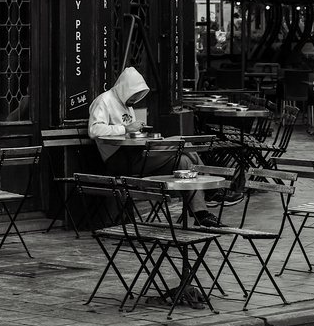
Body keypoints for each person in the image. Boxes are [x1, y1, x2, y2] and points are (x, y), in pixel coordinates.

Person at [87, 65, 220, 227]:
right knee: (182, 142)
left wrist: (137, 131)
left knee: (184, 162)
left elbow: (130, 134)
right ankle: (212, 189)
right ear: (124, 89)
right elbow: (94, 130)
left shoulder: (126, 104)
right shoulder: (104, 101)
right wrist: (126, 128)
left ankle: (201, 213)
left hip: (137, 153)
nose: (134, 100)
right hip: (119, 158)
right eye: (133, 95)